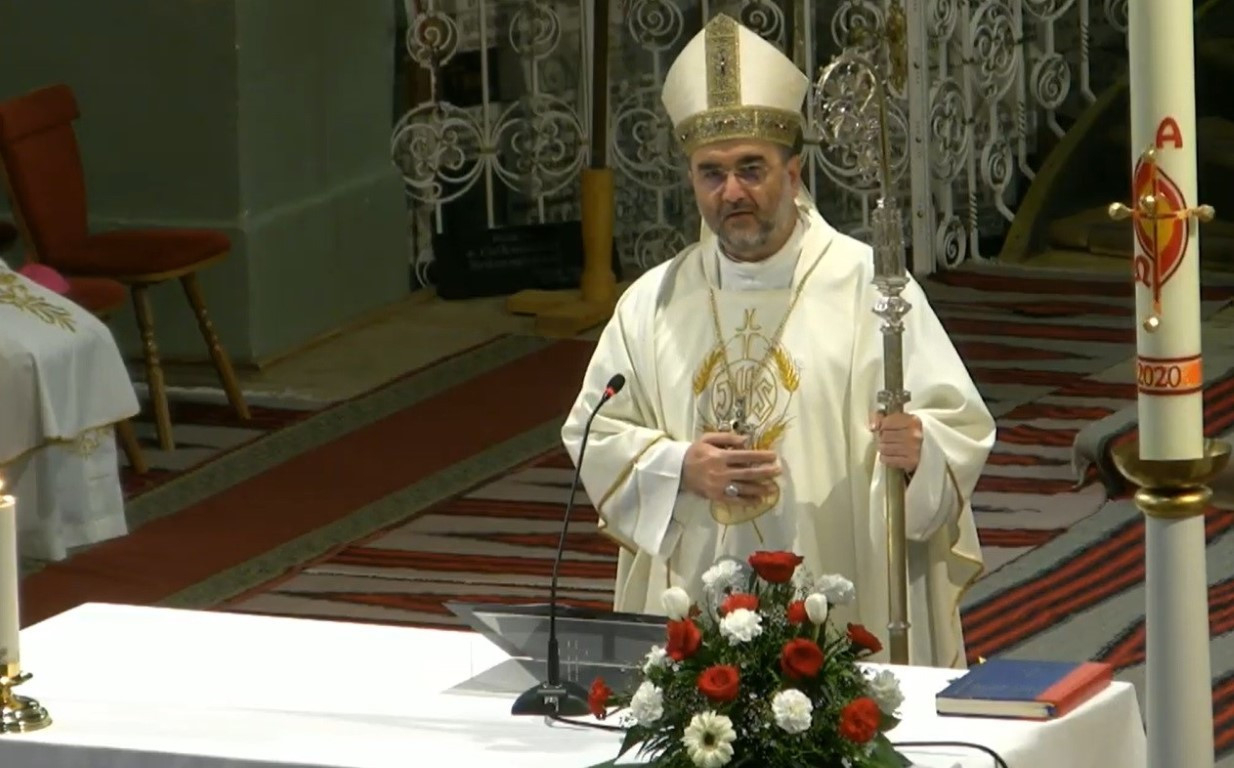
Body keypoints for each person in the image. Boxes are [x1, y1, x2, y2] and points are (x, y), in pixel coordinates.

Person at [561, 13, 995, 668]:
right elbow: (593, 432)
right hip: (700, 598)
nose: (732, 191)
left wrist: (919, 452)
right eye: (711, 173)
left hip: (839, 585)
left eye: (751, 168)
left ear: (793, 175)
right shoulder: (652, 304)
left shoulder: (869, 286)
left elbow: (957, 425)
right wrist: (680, 467)